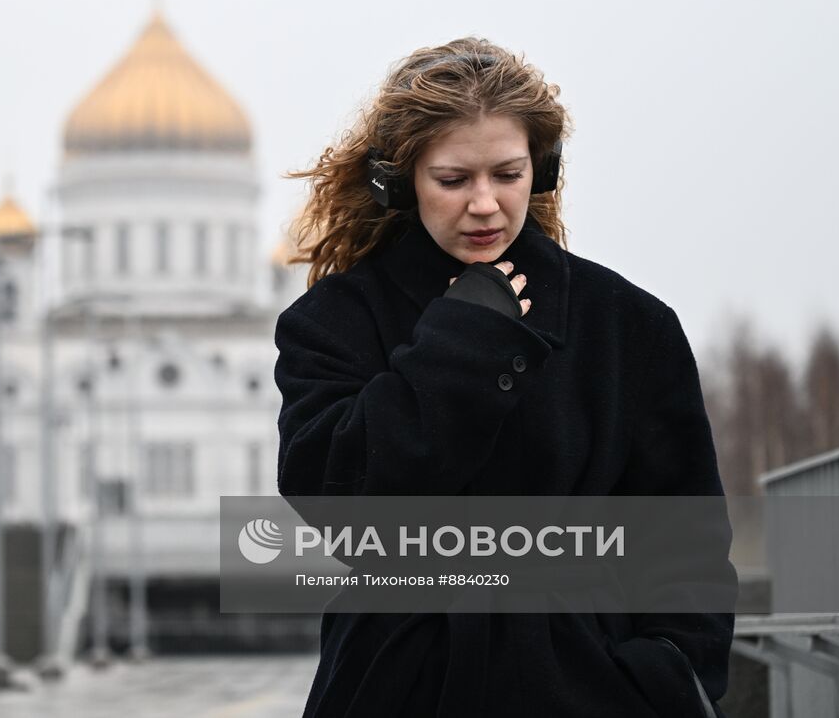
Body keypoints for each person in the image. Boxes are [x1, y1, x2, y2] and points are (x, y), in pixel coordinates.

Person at [276, 38, 735, 717]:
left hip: (589, 689)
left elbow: (685, 539)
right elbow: (334, 500)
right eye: (453, 179)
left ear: (541, 170)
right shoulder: (333, 321)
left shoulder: (628, 324)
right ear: (400, 182)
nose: (485, 204)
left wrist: (662, 674)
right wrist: (462, 342)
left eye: (508, 174)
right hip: (398, 686)